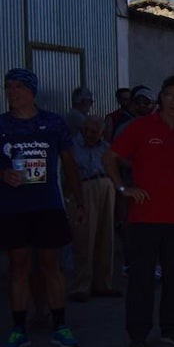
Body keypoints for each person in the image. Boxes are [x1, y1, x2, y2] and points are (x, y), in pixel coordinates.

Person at [104, 76, 174, 347]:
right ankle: (138, 335)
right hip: (142, 217)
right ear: (160, 97)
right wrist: (124, 187)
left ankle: (172, 329)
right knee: (141, 280)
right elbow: (109, 157)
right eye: (171, 95)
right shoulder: (140, 127)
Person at [0, 68, 84, 347]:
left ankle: (60, 324)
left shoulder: (53, 123)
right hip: (13, 208)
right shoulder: (1, 125)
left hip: (48, 206)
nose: (12, 92)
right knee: (18, 267)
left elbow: (69, 163)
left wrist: (79, 200)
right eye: (8, 87)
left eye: (18, 88)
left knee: (51, 266)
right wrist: (3, 174)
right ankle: (18, 328)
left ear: (31, 91)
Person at [67, 115, 120, 302]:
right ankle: (81, 285)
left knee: (106, 236)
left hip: (105, 186)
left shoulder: (105, 147)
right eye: (88, 130)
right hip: (84, 187)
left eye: (95, 132)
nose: (91, 135)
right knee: (84, 237)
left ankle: (103, 283)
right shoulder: (73, 146)